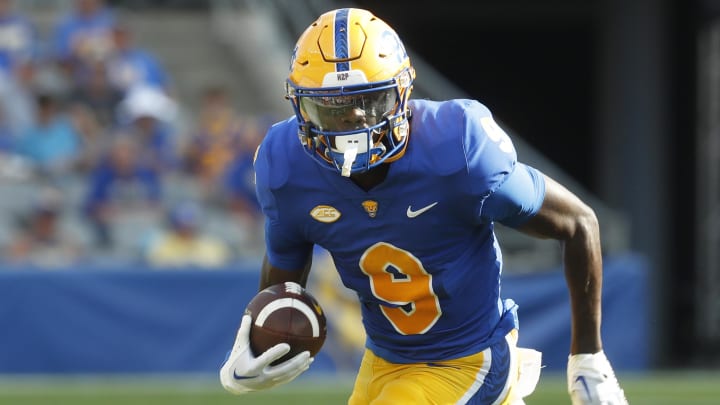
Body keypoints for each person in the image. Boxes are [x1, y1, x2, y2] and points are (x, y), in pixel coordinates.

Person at [219, 8, 627, 405]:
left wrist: (589, 357)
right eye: (330, 109)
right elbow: (283, 279)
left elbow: (578, 222)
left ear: (402, 94)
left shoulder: (458, 150)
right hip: (383, 361)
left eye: (369, 102)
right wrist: (257, 339)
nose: (352, 124)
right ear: (300, 107)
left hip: (470, 359)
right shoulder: (287, 165)